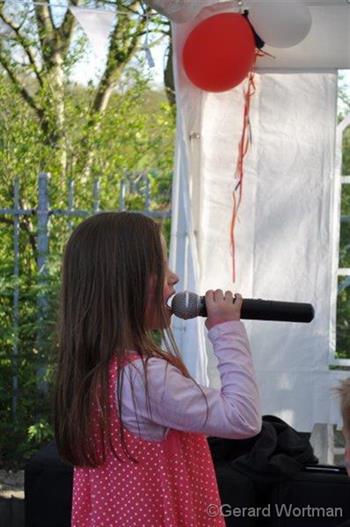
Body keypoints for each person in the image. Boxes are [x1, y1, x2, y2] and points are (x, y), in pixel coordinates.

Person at [53, 211, 262, 527]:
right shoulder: (144, 379)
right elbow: (242, 418)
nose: (174, 277)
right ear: (124, 283)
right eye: (160, 267)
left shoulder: (94, 371)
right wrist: (226, 328)